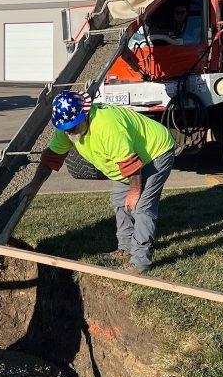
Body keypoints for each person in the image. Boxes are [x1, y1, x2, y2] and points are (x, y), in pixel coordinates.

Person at [23, 91, 176, 274]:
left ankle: (140, 262)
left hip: (155, 152)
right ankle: (125, 247)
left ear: (85, 114)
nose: (70, 131)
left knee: (142, 206)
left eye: (73, 126)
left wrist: (135, 192)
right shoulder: (66, 127)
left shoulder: (107, 126)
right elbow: (51, 159)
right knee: (119, 200)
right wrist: (34, 186)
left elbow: (129, 163)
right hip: (128, 163)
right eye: (66, 128)